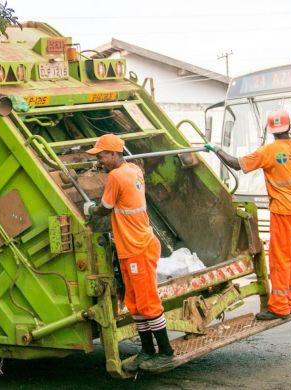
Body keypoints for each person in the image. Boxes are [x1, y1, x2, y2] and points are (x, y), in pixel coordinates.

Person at [204, 110, 291, 320]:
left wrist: (216, 149)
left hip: (283, 213)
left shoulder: (268, 151)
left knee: (280, 260)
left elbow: (237, 163)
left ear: (270, 130)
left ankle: (280, 308)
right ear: (289, 127)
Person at [83, 134, 176, 373]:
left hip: (137, 248)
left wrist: (91, 209)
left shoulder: (116, 176)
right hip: (132, 247)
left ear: (114, 154)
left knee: (148, 303)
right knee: (134, 303)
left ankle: (165, 353)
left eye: (102, 155)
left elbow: (105, 209)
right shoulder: (133, 169)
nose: (100, 160)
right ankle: (147, 350)